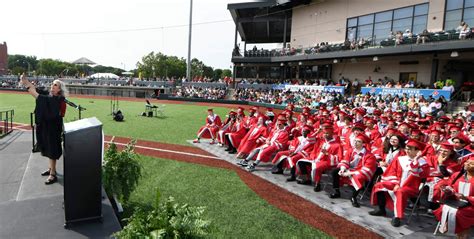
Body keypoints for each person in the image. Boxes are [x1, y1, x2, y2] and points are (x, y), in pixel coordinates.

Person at [21, 73, 67, 185]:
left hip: (53, 128)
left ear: (60, 89)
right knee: (47, 146)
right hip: (47, 126)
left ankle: (53, 175)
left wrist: (26, 84)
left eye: (55, 85)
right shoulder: (50, 95)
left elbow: (37, 96)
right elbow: (35, 90)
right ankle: (52, 169)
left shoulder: (58, 99)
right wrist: (27, 82)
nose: (52, 86)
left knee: (52, 149)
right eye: (52, 84)